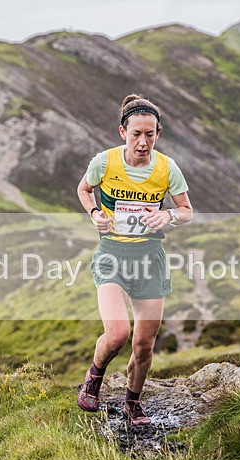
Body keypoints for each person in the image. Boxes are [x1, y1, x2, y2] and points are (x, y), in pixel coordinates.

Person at [75, 94, 193, 425]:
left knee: (143, 346)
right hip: (113, 255)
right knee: (117, 335)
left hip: (150, 259)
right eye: (136, 134)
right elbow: (84, 189)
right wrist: (95, 213)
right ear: (122, 132)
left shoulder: (167, 168)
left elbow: (187, 210)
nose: (143, 142)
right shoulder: (104, 162)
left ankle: (133, 403)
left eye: (150, 135)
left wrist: (168, 215)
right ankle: (94, 377)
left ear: (158, 134)